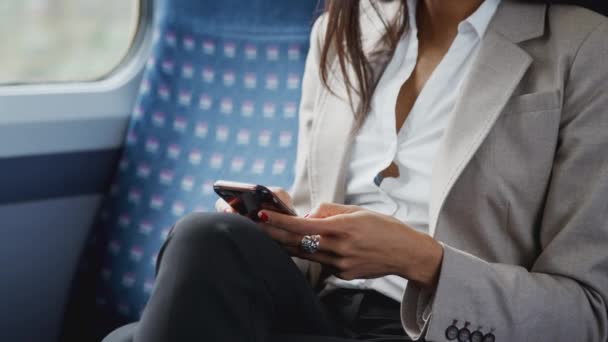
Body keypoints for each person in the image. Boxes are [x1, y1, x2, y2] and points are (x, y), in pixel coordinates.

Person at [104, 0, 608, 341]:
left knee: (198, 245)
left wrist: (424, 261)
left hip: (431, 328)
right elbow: (310, 234)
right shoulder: (340, 33)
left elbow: (588, 314)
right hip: (319, 312)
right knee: (214, 243)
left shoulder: (586, 47)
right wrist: (286, 229)